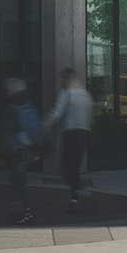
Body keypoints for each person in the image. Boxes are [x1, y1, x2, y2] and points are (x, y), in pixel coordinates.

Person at [45, 68, 94, 213]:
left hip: (71, 134)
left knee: (67, 168)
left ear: (67, 79)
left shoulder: (66, 93)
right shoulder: (86, 95)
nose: (61, 82)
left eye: (62, 79)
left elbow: (57, 113)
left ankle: (80, 191)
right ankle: (76, 197)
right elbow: (90, 117)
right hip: (84, 134)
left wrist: (45, 126)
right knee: (74, 166)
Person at [2, 78, 42, 225]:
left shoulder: (13, 107)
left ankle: (25, 212)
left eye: (8, 89)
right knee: (18, 181)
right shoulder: (28, 105)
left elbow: (10, 132)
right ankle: (23, 211)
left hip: (18, 150)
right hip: (24, 149)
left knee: (18, 182)